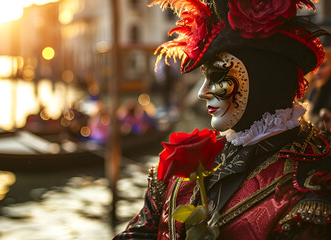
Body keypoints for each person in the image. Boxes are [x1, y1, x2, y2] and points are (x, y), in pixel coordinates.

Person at [113, 0, 331, 239]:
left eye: (218, 77)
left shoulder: (307, 190)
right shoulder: (181, 170)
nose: (201, 92)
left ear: (263, 79)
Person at [307, 49, 331, 132]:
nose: (317, 72)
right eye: (316, 67)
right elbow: (310, 115)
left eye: (323, 66)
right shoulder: (317, 88)